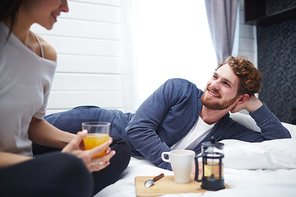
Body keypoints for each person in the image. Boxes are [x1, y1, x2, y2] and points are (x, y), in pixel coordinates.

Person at [43, 56, 291, 172]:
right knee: (16, 138)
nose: (213, 84)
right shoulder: (179, 89)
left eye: (226, 84)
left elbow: (279, 142)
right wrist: (175, 163)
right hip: (97, 124)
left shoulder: (229, 129)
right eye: (215, 76)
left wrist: (254, 105)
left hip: (110, 153)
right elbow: (137, 130)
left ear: (240, 98)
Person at [0, 1, 130, 196]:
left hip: (28, 162)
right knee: (73, 170)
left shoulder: (46, 54)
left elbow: (33, 123)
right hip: (9, 170)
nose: (65, 7)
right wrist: (52, 166)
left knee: (116, 149)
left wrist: (77, 145)